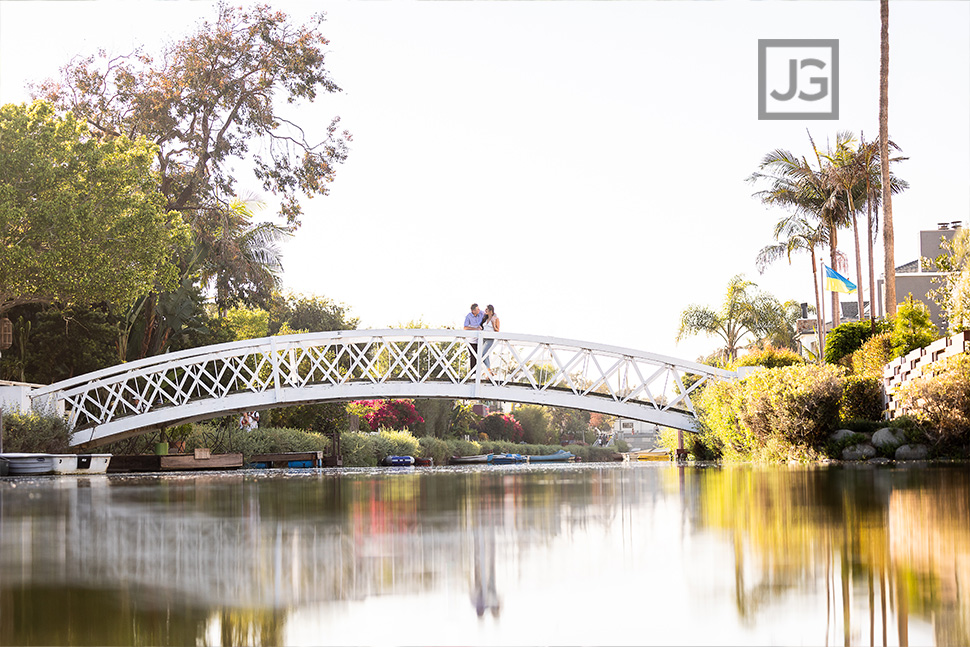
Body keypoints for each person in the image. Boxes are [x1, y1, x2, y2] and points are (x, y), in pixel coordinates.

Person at [463, 303, 485, 370]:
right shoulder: (468, 316)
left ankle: (481, 372)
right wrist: (475, 329)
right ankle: (473, 373)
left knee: (481, 355)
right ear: (473, 311)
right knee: (473, 356)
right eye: (477, 309)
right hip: (471, 339)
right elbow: (465, 327)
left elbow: (490, 314)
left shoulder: (481, 313)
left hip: (480, 338)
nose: (479, 310)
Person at [481, 304, 500, 371]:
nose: (485, 311)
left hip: (490, 338)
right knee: (485, 354)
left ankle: (488, 370)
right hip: (483, 338)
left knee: (482, 354)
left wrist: (493, 325)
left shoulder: (495, 319)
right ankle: (488, 370)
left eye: (487, 309)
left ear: (490, 311)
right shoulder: (485, 318)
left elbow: (497, 330)